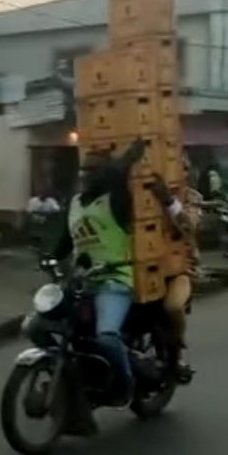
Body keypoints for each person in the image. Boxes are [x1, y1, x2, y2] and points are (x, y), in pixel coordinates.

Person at [53, 138, 146, 435]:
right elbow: (66, 241)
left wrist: (130, 155)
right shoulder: (75, 205)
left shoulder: (116, 200)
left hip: (114, 281)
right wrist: (50, 257)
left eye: (93, 171)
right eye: (83, 171)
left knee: (106, 337)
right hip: (83, 283)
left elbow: (117, 175)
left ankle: (125, 382)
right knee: (37, 326)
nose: (86, 176)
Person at [150, 158, 203, 383]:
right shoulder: (141, 192)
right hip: (143, 267)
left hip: (180, 269)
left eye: (184, 169)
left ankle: (175, 352)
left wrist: (168, 201)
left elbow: (188, 225)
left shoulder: (191, 197)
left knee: (172, 306)